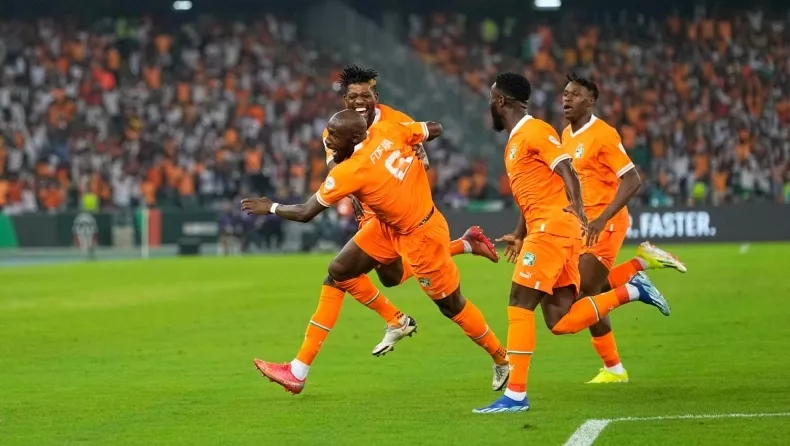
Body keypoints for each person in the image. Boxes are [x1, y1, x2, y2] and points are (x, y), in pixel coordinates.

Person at [242, 110, 509, 395]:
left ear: (356, 136)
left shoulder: (350, 171)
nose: (328, 140)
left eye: (334, 136)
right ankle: (302, 369)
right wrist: (418, 143)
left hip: (422, 236)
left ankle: (502, 358)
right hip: (387, 225)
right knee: (340, 272)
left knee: (451, 306)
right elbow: (435, 127)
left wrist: (271, 207)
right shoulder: (389, 130)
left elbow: (306, 212)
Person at [474, 73, 670, 414]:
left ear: (501, 101)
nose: (489, 104)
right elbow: (536, 192)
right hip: (551, 229)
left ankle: (516, 396)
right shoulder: (520, 138)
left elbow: (566, 168)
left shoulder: (535, 131)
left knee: (519, 303)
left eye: (491, 98)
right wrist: (519, 233)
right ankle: (631, 290)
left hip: (552, 229)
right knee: (559, 319)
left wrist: (579, 207)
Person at [314, 65, 499, 358]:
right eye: (352, 96)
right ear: (344, 100)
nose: (359, 101)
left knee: (340, 275)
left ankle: (303, 366)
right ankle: (462, 246)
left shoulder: (395, 121)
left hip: (403, 214)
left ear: (376, 97)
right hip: (373, 213)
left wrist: (407, 166)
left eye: (365, 95)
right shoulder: (336, 128)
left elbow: (423, 158)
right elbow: (336, 169)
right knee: (390, 277)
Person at [559, 73, 687, 384]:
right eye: (565, 93)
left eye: (575, 94)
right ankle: (614, 369)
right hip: (582, 225)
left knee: (580, 296)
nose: (567, 98)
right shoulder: (566, 134)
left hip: (606, 224)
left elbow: (632, 179)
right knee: (593, 297)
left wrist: (603, 218)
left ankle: (635, 286)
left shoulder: (603, 135)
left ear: (591, 101)